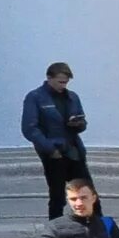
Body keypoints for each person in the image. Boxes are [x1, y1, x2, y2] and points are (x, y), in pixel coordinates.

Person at [17, 61, 90, 222]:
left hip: (73, 150)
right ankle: (55, 229)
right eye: (60, 81)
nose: (63, 86)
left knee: (86, 192)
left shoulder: (72, 97)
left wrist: (78, 124)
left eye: (65, 82)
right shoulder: (36, 97)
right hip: (53, 151)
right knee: (57, 195)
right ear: (49, 78)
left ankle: (93, 229)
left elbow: (82, 120)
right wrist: (49, 148)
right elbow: (30, 128)